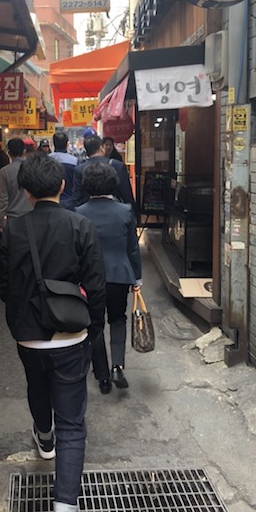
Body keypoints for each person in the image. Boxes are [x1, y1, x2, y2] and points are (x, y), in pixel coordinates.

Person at [0, 153, 106, 512]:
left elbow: (3, 284)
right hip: (71, 335)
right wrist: (93, 328)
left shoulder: (13, 230)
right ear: (62, 185)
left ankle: (44, 438)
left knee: (36, 386)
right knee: (72, 423)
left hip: (28, 336)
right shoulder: (80, 225)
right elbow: (96, 285)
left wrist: (21, 313)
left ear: (25, 191)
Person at [76, 162, 142, 393]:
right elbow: (132, 248)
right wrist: (137, 278)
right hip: (120, 275)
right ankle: (117, 366)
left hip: (90, 278)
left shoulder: (78, 213)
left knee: (94, 324)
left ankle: (102, 377)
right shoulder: (125, 211)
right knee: (117, 319)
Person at [73, 135, 135, 210]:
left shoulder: (79, 169)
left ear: (86, 151)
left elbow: (77, 197)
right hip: (114, 210)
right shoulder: (117, 166)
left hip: (88, 212)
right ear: (101, 148)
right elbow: (126, 194)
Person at [0, 138, 33, 233]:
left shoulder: (4, 172)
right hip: (32, 215)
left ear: (8, 153)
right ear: (24, 151)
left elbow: (3, 198)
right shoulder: (33, 168)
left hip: (13, 218)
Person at [49, 130, 78, 211]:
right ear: (67, 144)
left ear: (53, 143)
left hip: (50, 201)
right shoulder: (74, 161)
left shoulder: (46, 160)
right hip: (69, 202)